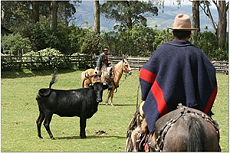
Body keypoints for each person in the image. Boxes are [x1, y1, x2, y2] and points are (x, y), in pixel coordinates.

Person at [139, 14, 218, 144]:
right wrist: (205, 108)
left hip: (164, 107)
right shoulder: (198, 53)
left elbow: (146, 75)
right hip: (195, 107)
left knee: (140, 134)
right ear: (190, 34)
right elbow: (211, 78)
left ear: (173, 33)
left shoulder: (162, 50)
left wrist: (145, 96)